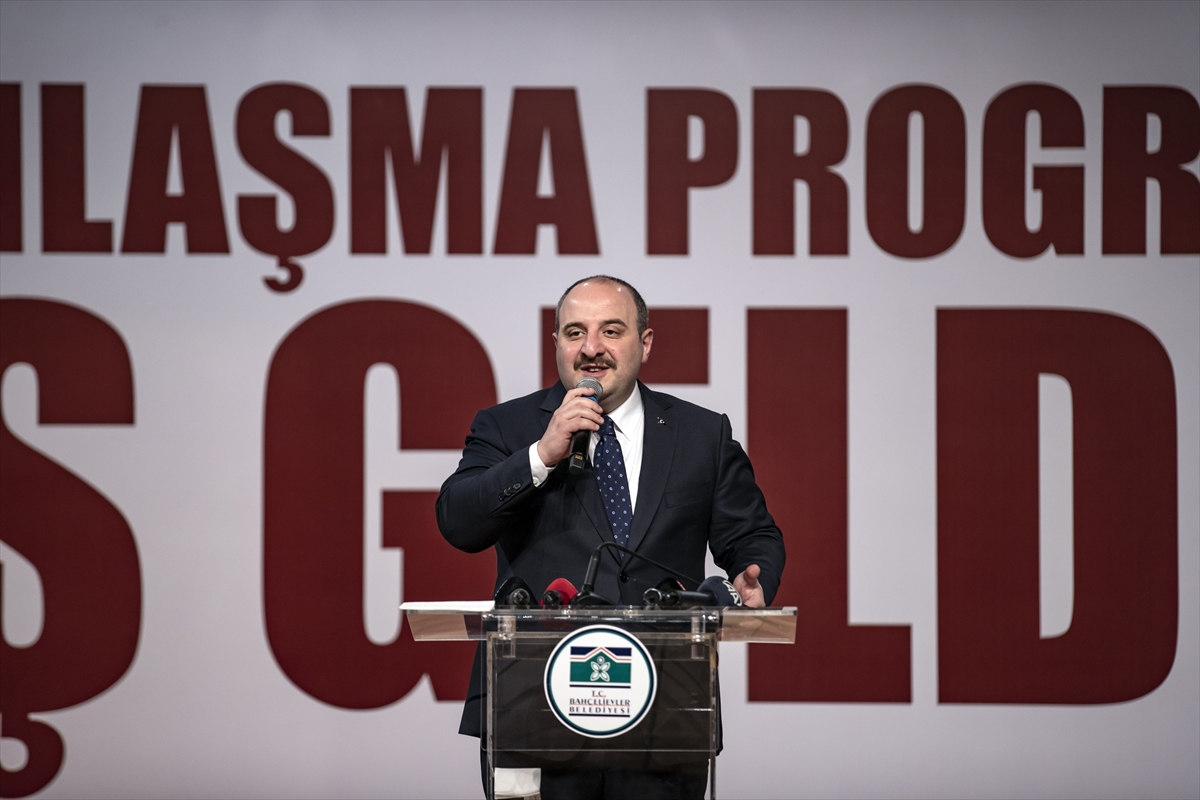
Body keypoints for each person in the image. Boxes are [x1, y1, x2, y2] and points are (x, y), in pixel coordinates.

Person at [437, 275, 785, 800]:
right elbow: (458, 523)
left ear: (645, 343)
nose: (591, 348)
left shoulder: (701, 435)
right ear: (556, 342)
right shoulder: (507, 427)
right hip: (532, 709)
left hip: (666, 710)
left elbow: (753, 537)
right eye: (575, 332)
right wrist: (541, 455)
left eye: (611, 331)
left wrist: (752, 579)